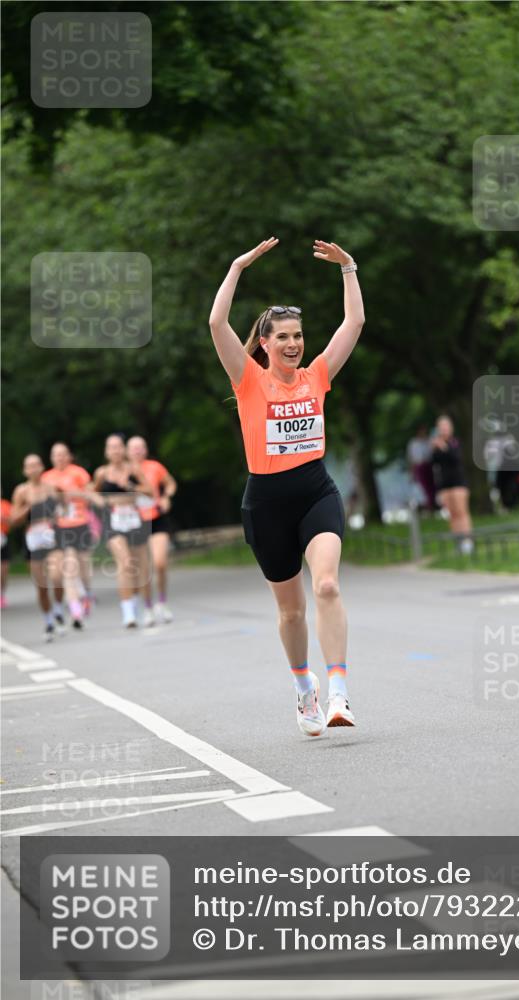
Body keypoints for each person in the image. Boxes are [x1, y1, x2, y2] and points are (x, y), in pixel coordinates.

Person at [209, 236, 365, 736]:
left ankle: (339, 691)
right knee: (291, 611)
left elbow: (353, 323)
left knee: (327, 584)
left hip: (316, 492)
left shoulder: (317, 375)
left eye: (298, 335)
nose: (293, 344)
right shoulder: (248, 379)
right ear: (264, 343)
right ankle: (304, 688)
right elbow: (216, 324)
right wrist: (237, 268)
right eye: (283, 337)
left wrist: (348, 269)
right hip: (266, 504)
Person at [92, 435, 154, 628]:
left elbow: (149, 490)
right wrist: (104, 501)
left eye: (118, 447)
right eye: (111, 447)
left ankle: (147, 607)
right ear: (106, 452)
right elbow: (94, 493)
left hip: (134, 519)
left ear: (124, 450)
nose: (115, 451)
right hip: (113, 521)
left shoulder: (133, 469)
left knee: (141, 567)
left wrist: (131, 486)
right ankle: (128, 613)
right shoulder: (102, 473)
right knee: (125, 563)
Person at [41, 442, 94, 630]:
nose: (60, 458)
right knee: (69, 568)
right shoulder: (46, 478)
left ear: (69, 456)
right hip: (61, 526)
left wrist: (71, 493)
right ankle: (75, 610)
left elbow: (91, 494)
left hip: (80, 523)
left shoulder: (79, 473)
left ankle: (86, 594)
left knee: (83, 568)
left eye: (63, 454)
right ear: (51, 458)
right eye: (56, 455)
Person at [127, 436, 178, 623]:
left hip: (157, 518)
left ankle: (162, 603)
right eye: (134, 448)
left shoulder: (154, 467)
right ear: (127, 451)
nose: (137, 451)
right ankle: (148, 607)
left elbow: (170, 483)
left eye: (140, 447)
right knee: (143, 569)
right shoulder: (124, 471)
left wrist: (166, 497)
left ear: (146, 449)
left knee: (160, 562)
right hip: (135, 521)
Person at [10, 455, 60, 641]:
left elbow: (61, 510)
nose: (33, 469)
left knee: (57, 576)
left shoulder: (51, 488)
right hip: (33, 539)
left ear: (42, 467)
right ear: (25, 470)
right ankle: (49, 621)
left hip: (52, 537)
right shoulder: (21, 491)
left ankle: (58, 609)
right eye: (29, 466)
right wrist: (27, 508)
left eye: (36, 465)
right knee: (41, 586)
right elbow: (14, 520)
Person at [431, 415, 475, 553]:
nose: (443, 429)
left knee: (462, 512)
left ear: (451, 428)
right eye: (441, 427)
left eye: (446, 426)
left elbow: (456, 458)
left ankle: (468, 541)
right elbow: (434, 465)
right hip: (444, 485)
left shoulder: (455, 442)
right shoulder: (436, 446)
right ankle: (458, 542)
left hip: (458, 483)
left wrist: (444, 447)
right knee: (452, 515)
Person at [406, 425, 437, 511]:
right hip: (419, 466)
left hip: (429, 465)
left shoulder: (429, 441)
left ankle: (432, 504)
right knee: (424, 486)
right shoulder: (413, 443)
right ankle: (428, 504)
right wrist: (411, 472)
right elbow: (411, 458)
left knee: (432, 485)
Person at [1, 492, 12, 609]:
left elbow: (14, 521)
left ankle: (2, 594)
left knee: (3, 571)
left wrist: (4, 519)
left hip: (3, 539)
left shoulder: (5, 505)